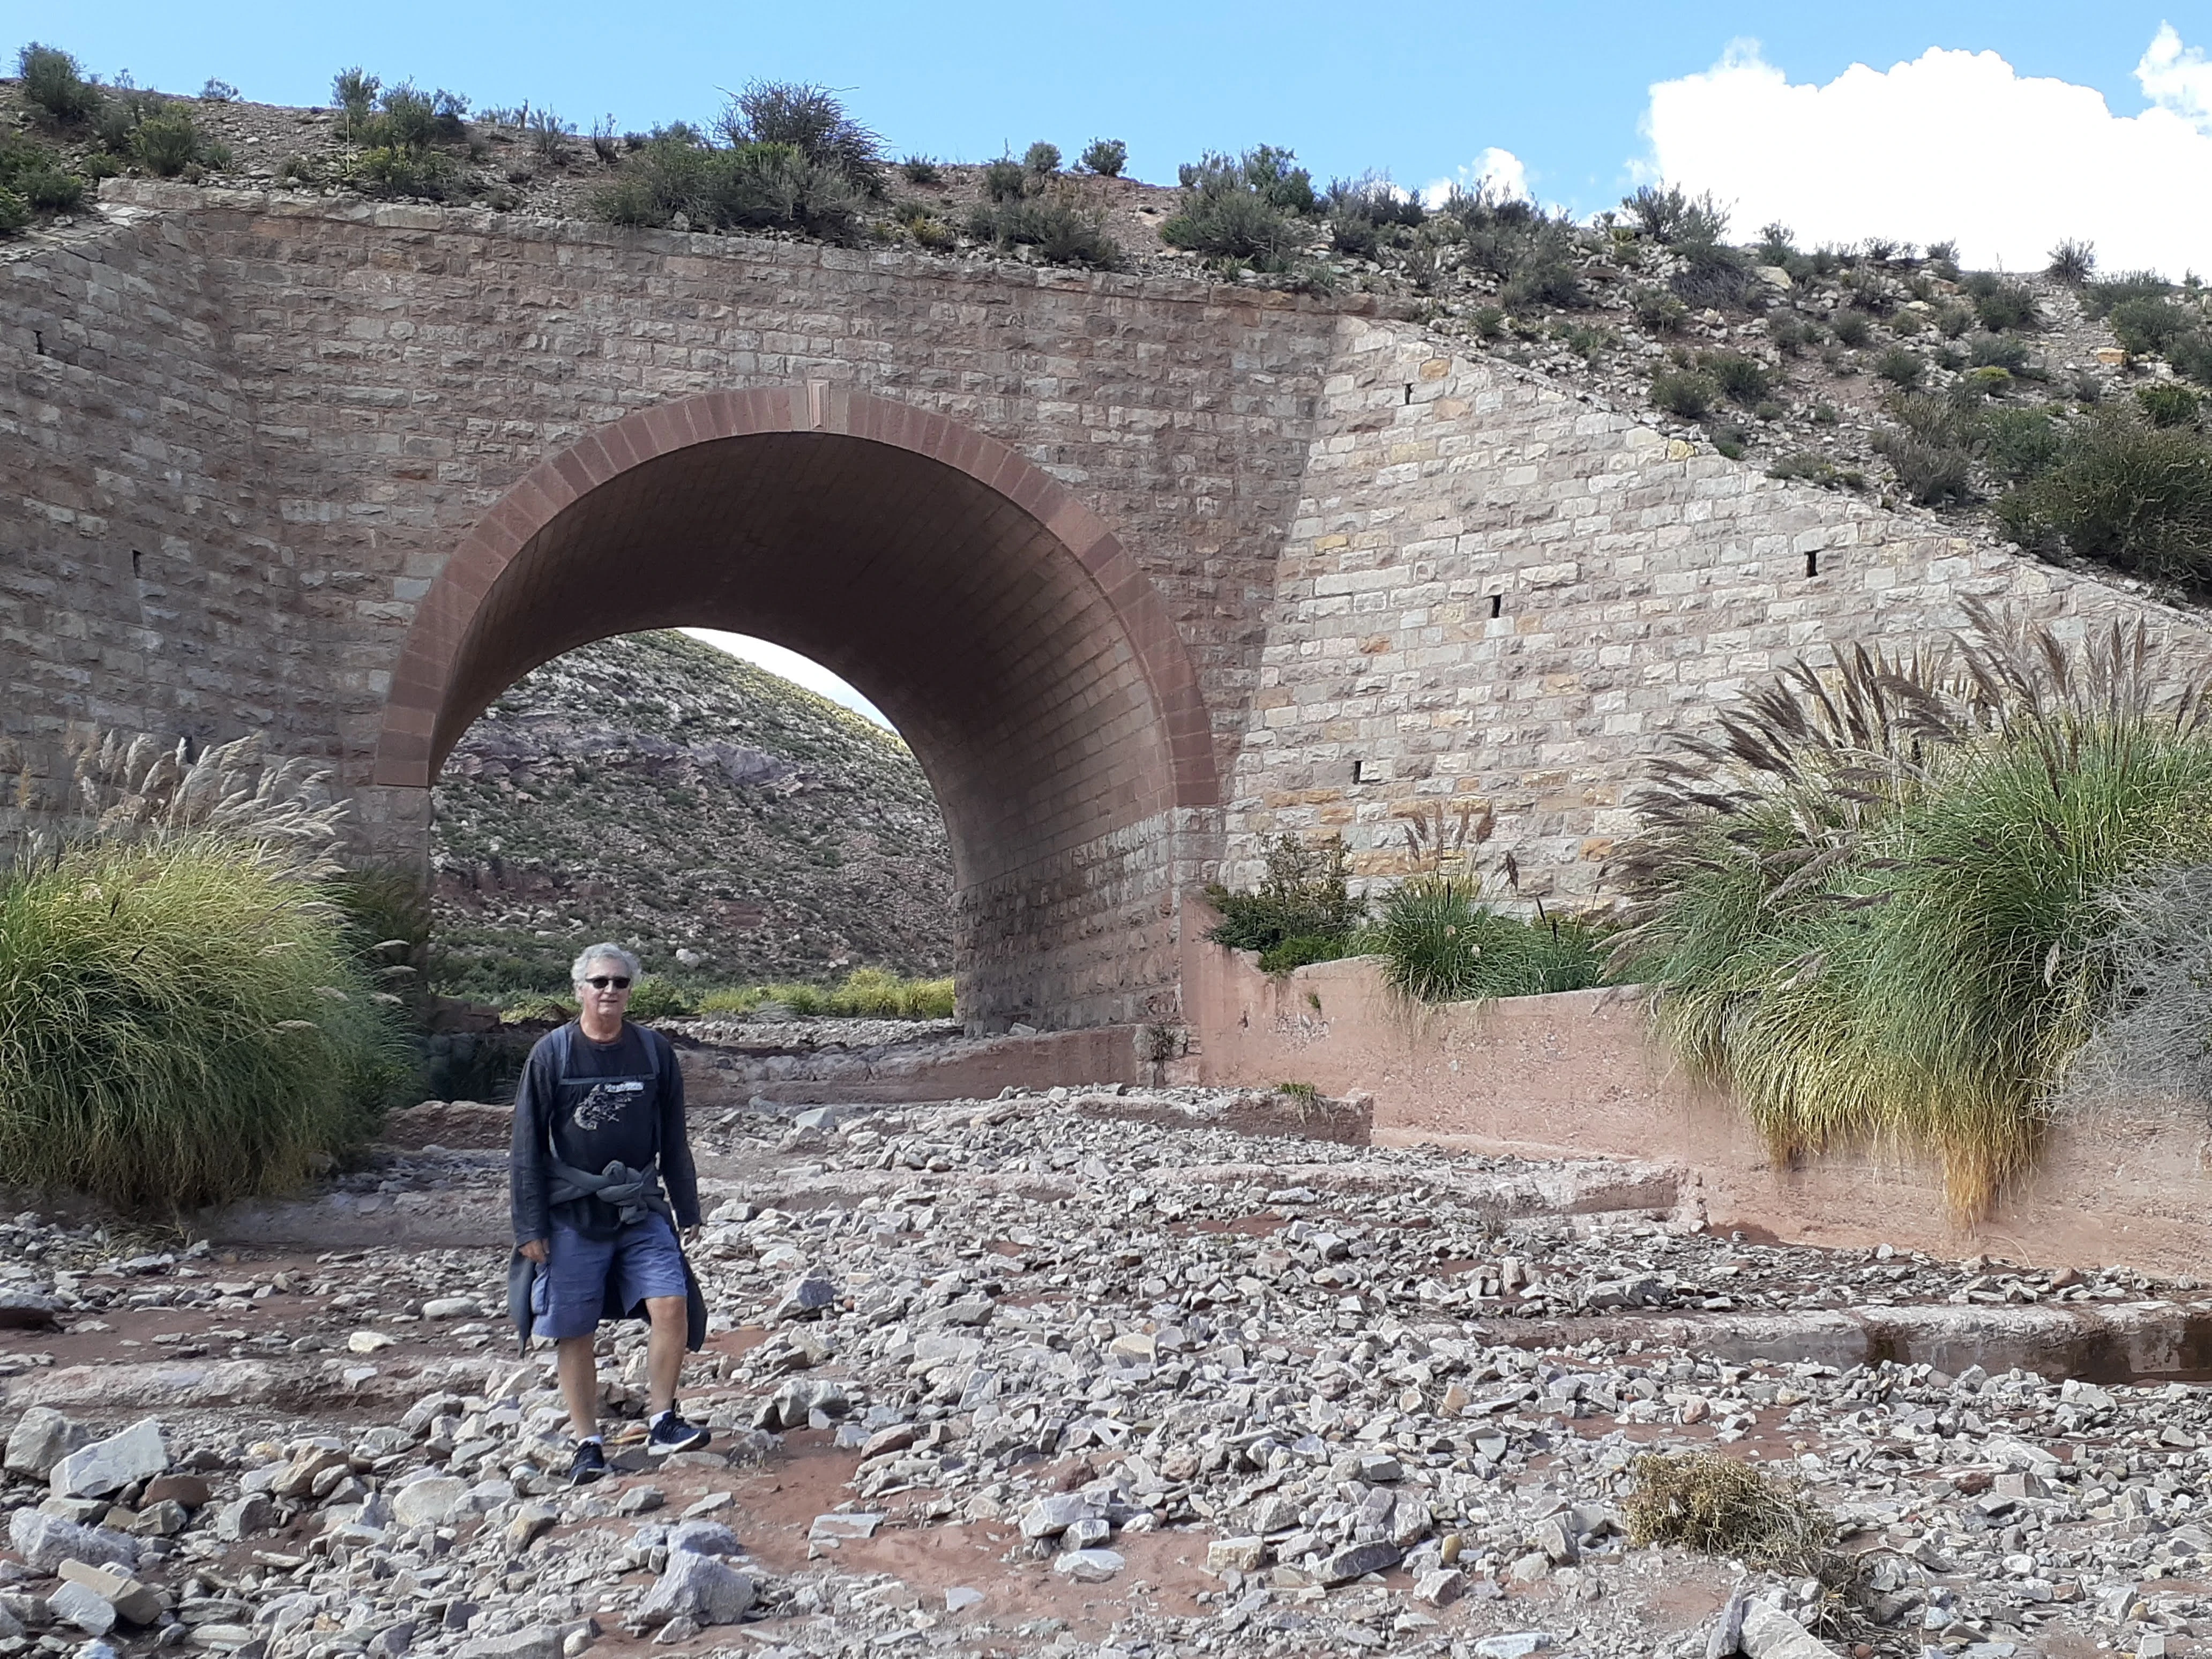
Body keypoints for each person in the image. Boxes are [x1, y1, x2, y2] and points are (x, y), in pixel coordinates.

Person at [509, 943, 710, 1485]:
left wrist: (686, 1205)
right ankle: (587, 1442)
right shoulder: (552, 1056)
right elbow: (526, 1145)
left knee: (671, 1304)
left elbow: (674, 1135)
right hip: (573, 1212)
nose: (610, 992)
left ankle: (664, 1418)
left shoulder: (653, 1053)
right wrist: (529, 1225)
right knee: (573, 1328)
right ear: (579, 990)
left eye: (620, 983)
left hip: (640, 1206)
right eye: (599, 982)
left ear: (630, 990)